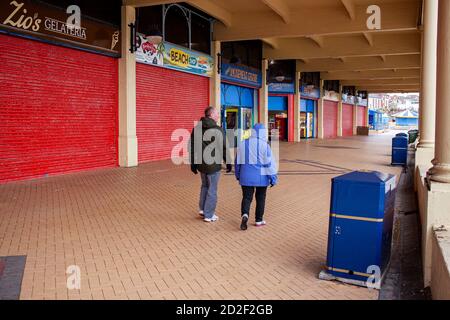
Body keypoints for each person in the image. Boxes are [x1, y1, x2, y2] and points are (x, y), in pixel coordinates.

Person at [190, 107, 232, 223]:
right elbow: (224, 148)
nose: (218, 115)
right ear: (212, 114)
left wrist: (193, 163)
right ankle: (209, 215)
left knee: (204, 186)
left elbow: (192, 147)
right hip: (213, 165)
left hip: (201, 165)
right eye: (217, 113)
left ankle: (203, 209)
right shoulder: (217, 129)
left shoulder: (197, 128)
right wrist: (228, 162)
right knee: (212, 189)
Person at [235, 123, 278, 230]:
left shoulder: (243, 143)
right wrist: (273, 178)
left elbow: (237, 162)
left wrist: (238, 175)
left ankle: (245, 215)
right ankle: (259, 220)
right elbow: (269, 164)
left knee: (246, 197)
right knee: (260, 198)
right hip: (262, 178)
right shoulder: (265, 145)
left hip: (246, 177)